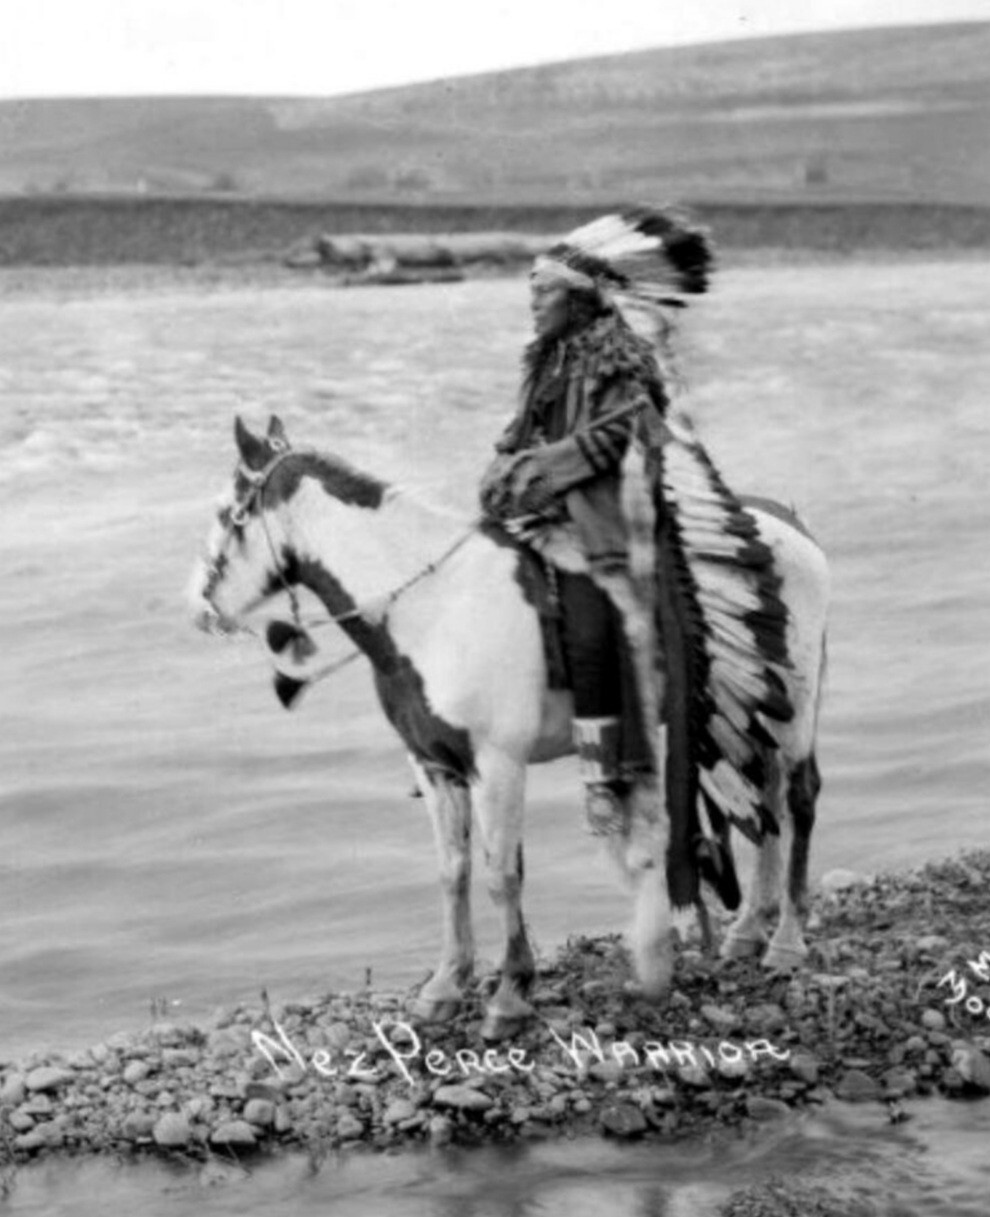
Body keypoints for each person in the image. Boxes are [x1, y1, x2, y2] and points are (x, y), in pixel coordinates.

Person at [479, 208, 712, 834]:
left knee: (588, 632)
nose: (533, 305)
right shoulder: (547, 361)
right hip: (543, 513)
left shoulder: (620, 358)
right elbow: (521, 430)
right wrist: (504, 466)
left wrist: (540, 468)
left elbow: (617, 437)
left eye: (543, 292)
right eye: (530, 292)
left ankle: (605, 775)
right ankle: (461, 728)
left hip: (605, 516)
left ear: (579, 299)